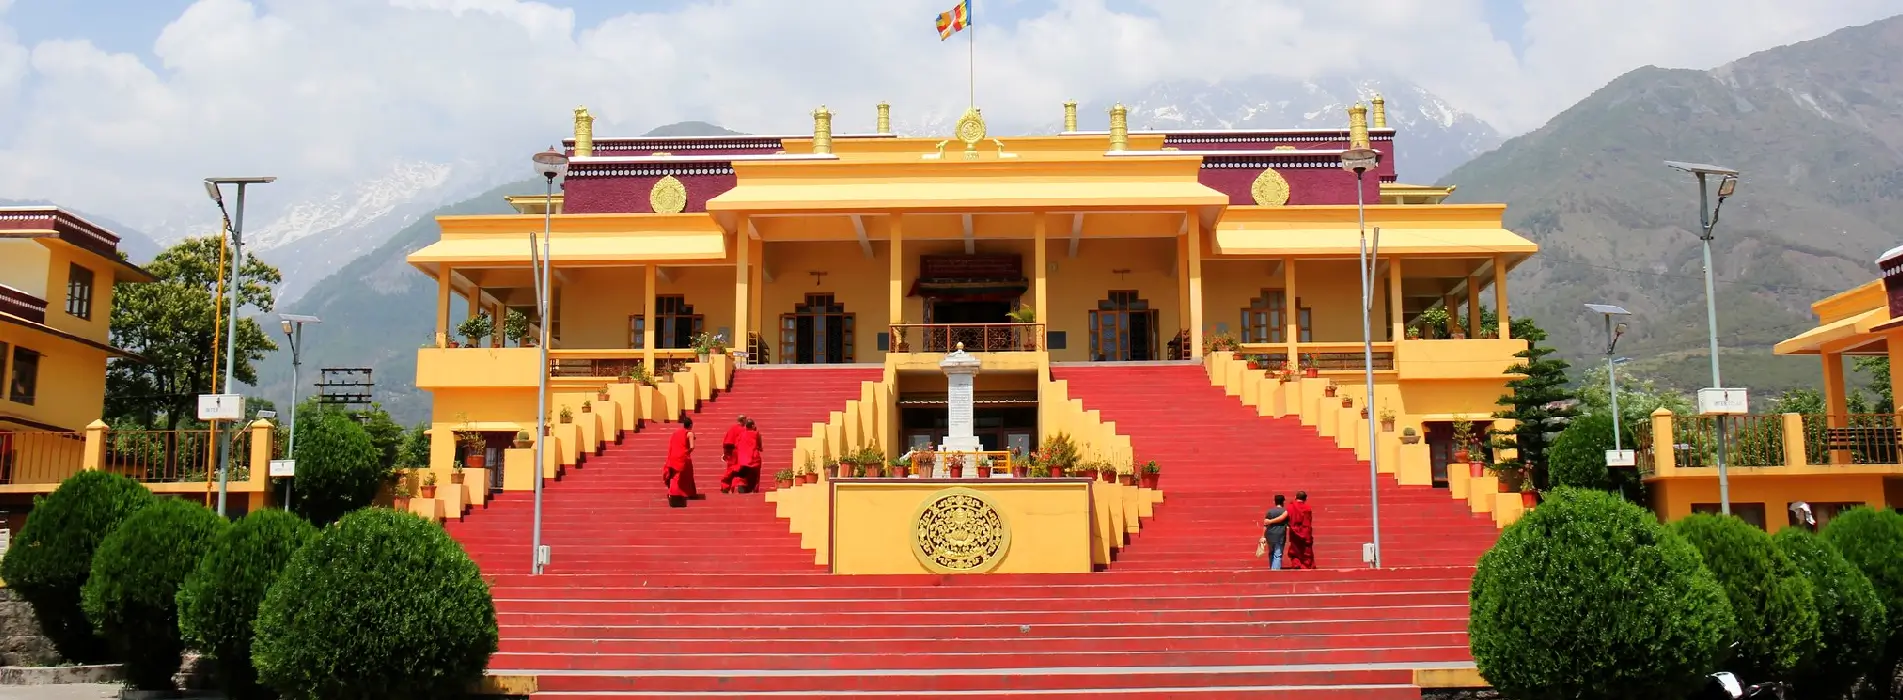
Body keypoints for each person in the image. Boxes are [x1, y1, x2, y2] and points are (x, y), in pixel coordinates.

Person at [664, 415, 697, 507]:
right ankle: (679, 494)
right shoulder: (690, 433)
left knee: (675, 476)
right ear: (690, 425)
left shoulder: (676, 433)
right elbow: (692, 446)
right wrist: (687, 452)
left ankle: (673, 493)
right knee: (685, 476)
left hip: (673, 457)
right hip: (683, 458)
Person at [732, 418, 763, 494]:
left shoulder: (741, 434)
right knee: (754, 475)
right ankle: (753, 489)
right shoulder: (756, 433)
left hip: (742, 460)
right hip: (753, 459)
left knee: (742, 476)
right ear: (752, 426)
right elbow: (760, 446)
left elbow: (736, 444)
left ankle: (742, 487)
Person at [1286, 491, 1315, 570]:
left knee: (1295, 549)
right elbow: (1308, 521)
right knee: (1306, 550)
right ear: (1305, 499)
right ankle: (1305, 565)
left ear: (1295, 497)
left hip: (1294, 531)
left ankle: (1296, 563)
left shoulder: (1290, 507)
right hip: (1305, 532)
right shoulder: (1308, 508)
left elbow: (1288, 519)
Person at [719, 415, 748, 493]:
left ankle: (725, 486)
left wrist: (725, 453)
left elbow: (726, 442)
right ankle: (740, 485)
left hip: (732, 454)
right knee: (740, 471)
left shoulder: (732, 429)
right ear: (743, 420)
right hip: (741, 453)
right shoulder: (744, 430)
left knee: (731, 470)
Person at [1261, 494, 1290, 570]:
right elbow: (1288, 525)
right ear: (1283, 502)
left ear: (1274, 501)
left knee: (1271, 552)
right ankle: (1275, 571)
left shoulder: (1270, 512)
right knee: (1278, 554)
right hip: (1280, 535)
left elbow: (1265, 524)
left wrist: (1263, 536)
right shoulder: (1285, 512)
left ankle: (1272, 568)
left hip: (1270, 535)